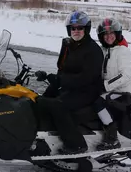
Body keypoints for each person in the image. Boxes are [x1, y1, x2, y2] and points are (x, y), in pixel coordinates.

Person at [35, 10, 104, 155]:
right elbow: (63, 70)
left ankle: (77, 144)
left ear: (86, 29)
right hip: (72, 89)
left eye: (80, 28)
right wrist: (52, 80)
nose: (76, 31)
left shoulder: (93, 50)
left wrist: (61, 80)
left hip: (88, 92)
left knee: (58, 106)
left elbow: (87, 78)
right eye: (73, 28)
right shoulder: (70, 46)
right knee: (40, 100)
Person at [94, 18, 131, 150]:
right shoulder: (104, 50)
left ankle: (112, 136)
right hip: (109, 90)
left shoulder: (123, 51)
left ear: (117, 34)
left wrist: (105, 86)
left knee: (98, 102)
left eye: (111, 33)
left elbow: (125, 75)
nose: (109, 36)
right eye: (105, 34)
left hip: (122, 93)